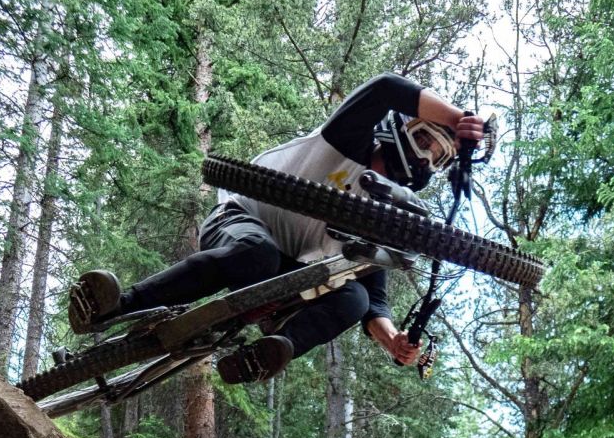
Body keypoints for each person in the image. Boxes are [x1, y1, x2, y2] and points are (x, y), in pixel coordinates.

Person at [67, 73, 488, 384]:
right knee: (257, 252)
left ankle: (271, 352)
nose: (425, 159)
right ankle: (115, 306)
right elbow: (384, 90)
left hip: (285, 276)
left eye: (439, 158)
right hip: (242, 220)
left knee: (354, 296)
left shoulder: (383, 216)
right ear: (402, 127)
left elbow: (374, 303)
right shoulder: (347, 139)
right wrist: (459, 118)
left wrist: (394, 340)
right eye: (425, 141)